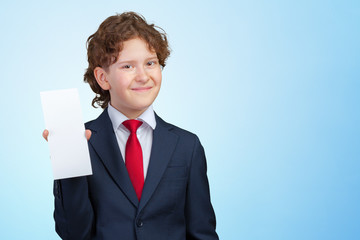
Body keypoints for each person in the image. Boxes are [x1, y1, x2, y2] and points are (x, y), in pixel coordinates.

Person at [43, 12, 219, 240]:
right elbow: (74, 233)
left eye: (150, 63)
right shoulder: (82, 141)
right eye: (127, 67)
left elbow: (202, 232)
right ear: (103, 78)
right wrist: (68, 166)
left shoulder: (187, 146)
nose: (143, 76)